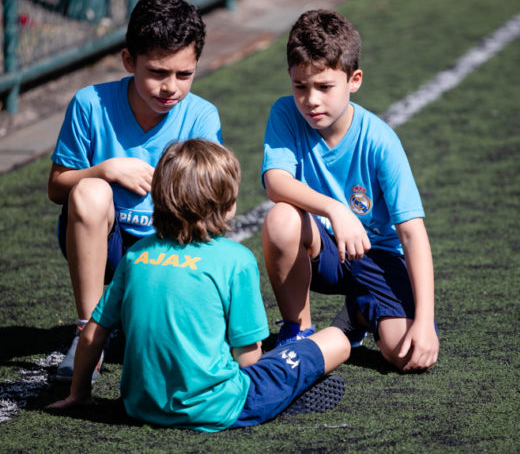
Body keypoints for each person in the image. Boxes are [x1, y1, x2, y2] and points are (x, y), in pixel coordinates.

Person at [47, 139, 350, 432]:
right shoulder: (237, 259)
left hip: (138, 405)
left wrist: (79, 394)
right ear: (227, 205)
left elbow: (92, 335)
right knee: (337, 340)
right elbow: (248, 356)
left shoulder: (136, 255)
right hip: (219, 407)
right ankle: (286, 396)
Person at [48, 0, 222, 382]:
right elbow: (57, 187)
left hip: (169, 247)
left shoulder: (202, 117)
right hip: (105, 243)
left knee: (165, 351)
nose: (171, 87)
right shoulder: (90, 104)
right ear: (129, 61)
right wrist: (105, 170)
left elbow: (210, 208)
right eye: (158, 72)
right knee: (89, 191)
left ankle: (143, 316)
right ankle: (88, 332)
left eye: (184, 75)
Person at [261, 9, 439, 373]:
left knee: (407, 356)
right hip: (323, 249)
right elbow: (275, 182)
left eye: (324, 87)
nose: (311, 100)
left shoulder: (381, 141)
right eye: (300, 86)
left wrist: (424, 322)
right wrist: (336, 210)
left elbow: (412, 233)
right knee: (281, 218)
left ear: (354, 80)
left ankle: (360, 310)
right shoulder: (285, 113)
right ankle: (298, 331)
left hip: (377, 255)